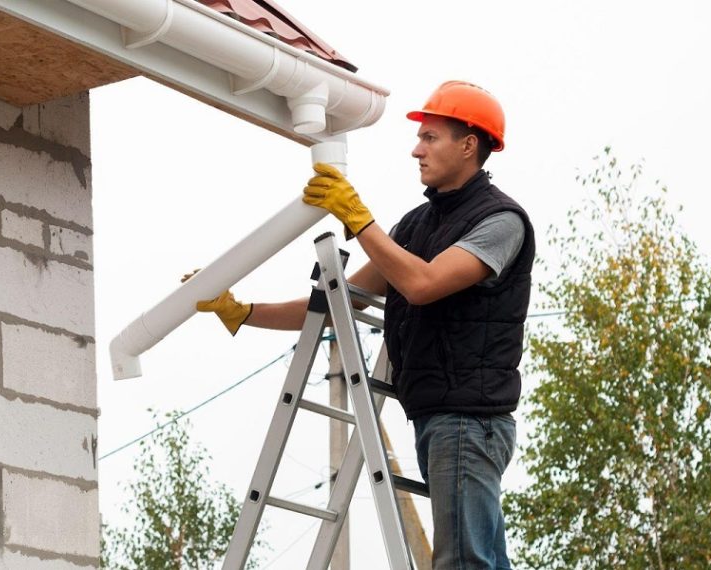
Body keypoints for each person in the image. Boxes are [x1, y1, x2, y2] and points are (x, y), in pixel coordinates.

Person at [194, 81, 533, 569]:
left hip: (469, 419)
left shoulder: (501, 221)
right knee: (477, 561)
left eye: (431, 137)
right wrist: (245, 313)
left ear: (469, 144)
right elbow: (338, 302)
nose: (416, 149)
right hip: (440, 415)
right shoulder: (419, 226)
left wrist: (359, 219)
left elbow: (423, 284)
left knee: (466, 564)